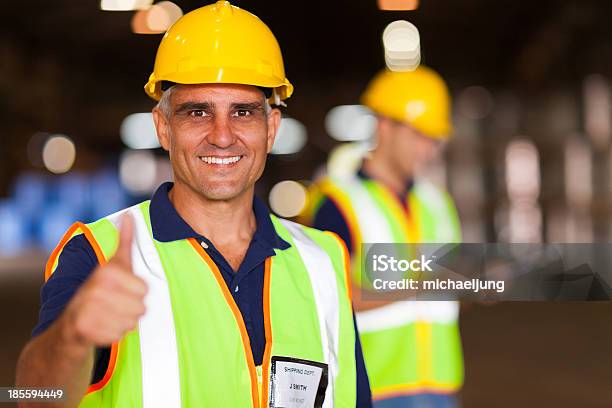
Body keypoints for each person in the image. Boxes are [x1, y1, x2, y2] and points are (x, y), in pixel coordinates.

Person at [15, 2, 372, 407]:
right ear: (164, 128)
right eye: (198, 112)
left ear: (271, 129)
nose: (222, 136)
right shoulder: (98, 254)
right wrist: (73, 335)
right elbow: (31, 395)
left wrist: (449, 270)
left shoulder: (323, 260)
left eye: (243, 112)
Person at [305, 66, 463, 407]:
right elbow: (327, 298)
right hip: (375, 388)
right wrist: (419, 287)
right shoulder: (338, 203)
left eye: (433, 139)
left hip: (441, 384)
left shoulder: (437, 202)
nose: (427, 150)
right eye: (418, 135)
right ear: (383, 125)